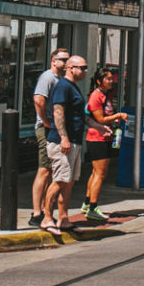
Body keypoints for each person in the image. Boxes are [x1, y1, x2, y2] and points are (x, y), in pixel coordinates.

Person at [42, 55, 90, 234]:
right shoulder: (62, 86)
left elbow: (80, 116)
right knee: (60, 180)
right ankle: (47, 218)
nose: (85, 71)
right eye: (82, 68)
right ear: (71, 68)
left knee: (69, 182)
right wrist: (64, 137)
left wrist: (99, 127)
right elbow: (58, 112)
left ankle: (63, 218)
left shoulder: (73, 88)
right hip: (62, 142)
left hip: (75, 141)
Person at [81, 66, 128, 223]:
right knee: (100, 174)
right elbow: (99, 119)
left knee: (96, 173)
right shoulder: (96, 96)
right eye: (108, 79)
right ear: (100, 81)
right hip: (97, 139)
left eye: (111, 78)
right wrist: (118, 115)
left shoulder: (105, 95)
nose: (111, 81)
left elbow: (104, 117)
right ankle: (93, 208)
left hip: (105, 137)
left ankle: (87, 203)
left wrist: (113, 119)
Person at [29, 48, 67, 228]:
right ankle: (36, 212)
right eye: (63, 59)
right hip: (45, 129)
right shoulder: (48, 77)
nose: (66, 62)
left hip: (54, 129)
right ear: (53, 61)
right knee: (44, 169)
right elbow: (38, 99)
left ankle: (44, 210)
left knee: (50, 170)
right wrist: (45, 121)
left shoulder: (60, 79)